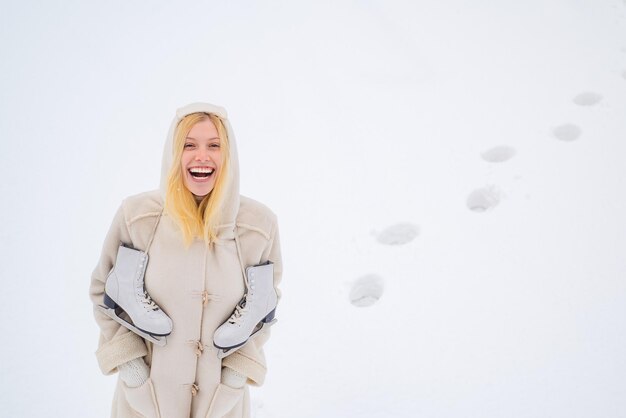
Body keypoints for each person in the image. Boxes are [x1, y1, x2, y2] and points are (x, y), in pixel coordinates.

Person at [89, 102, 283, 418]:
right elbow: (105, 293)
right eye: (189, 145)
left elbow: (262, 307)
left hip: (222, 406)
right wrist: (131, 369)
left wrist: (234, 379)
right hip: (146, 403)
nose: (201, 156)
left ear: (228, 155)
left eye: (214, 145)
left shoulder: (258, 227)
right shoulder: (138, 218)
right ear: (173, 153)